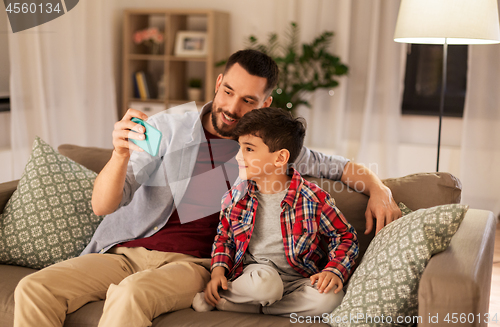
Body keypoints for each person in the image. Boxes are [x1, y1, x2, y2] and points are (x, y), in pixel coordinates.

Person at [13, 49, 399, 327]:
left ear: (266, 102)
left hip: (193, 265)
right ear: (218, 82)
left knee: (131, 295)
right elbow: (103, 205)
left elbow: (341, 166)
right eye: (228, 91)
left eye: (248, 100)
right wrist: (119, 155)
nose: (232, 107)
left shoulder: (263, 151)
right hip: (124, 251)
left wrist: (379, 189)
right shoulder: (168, 128)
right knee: (34, 288)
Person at [192, 107, 358, 317]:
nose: (238, 156)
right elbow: (224, 239)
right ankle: (225, 295)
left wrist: (333, 270)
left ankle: (240, 305)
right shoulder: (236, 196)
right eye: (240, 147)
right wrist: (217, 273)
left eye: (249, 149)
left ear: (280, 159)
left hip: (297, 280)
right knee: (266, 284)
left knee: (332, 298)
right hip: (257, 276)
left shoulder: (313, 199)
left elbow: (345, 237)